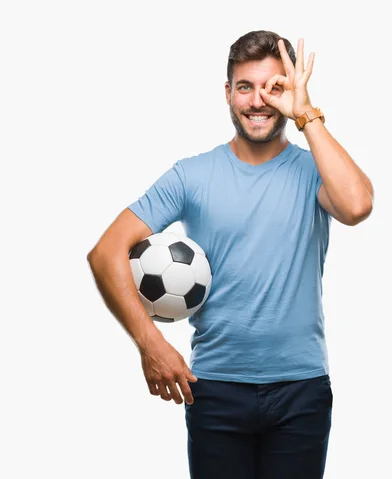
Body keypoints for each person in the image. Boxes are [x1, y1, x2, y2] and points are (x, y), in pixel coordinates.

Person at [87, 30, 374, 479]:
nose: (258, 101)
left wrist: (306, 114)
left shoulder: (313, 171)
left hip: (301, 390)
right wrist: (151, 343)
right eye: (245, 87)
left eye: (274, 87)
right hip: (216, 389)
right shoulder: (191, 175)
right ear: (227, 93)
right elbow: (106, 253)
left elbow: (357, 206)